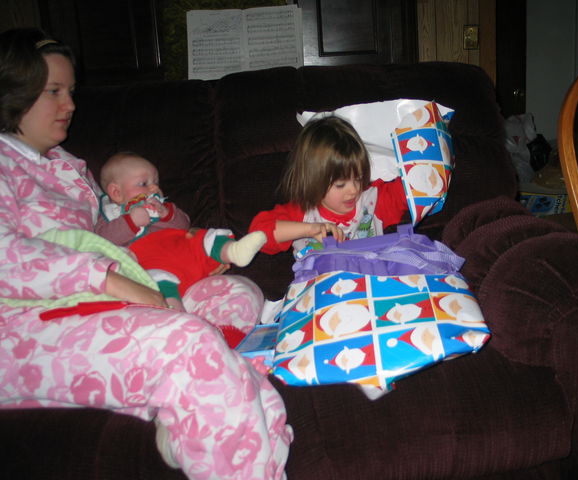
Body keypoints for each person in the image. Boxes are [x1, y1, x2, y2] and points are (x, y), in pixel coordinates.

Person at [0, 28, 291, 480]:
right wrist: (112, 279)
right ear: (13, 92)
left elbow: (111, 236)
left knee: (231, 297)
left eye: (71, 91)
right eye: (54, 91)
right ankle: (194, 387)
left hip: (97, 300)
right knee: (192, 342)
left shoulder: (71, 169)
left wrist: (186, 252)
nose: (70, 104)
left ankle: (189, 405)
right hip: (26, 322)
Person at [96, 151, 267, 311]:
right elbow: (102, 241)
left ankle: (233, 251)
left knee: (205, 238)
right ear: (116, 193)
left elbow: (184, 224)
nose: (154, 188)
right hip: (151, 261)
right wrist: (131, 222)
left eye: (156, 182)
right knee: (157, 279)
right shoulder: (110, 215)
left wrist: (166, 214)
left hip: (184, 251)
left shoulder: (163, 207)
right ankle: (175, 311)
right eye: (143, 183)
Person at [249, 115, 409, 257]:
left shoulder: (374, 200)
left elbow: (414, 186)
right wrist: (309, 229)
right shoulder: (303, 213)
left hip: (371, 278)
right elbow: (257, 235)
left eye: (359, 178)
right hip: (320, 280)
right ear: (313, 180)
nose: (354, 190)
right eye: (340, 184)